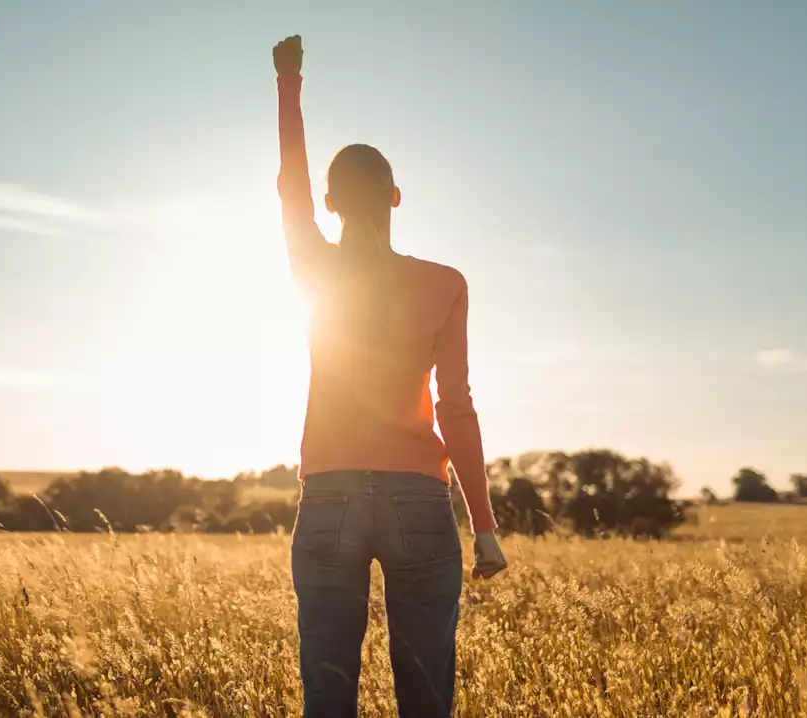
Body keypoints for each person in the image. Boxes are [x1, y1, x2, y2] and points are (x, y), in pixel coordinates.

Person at [273, 35, 509, 718]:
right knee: (428, 698)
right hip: (418, 500)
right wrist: (485, 527)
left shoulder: (313, 266)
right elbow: (455, 406)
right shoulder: (444, 285)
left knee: (328, 697)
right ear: (396, 197)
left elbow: (290, 181)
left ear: (331, 202)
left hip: (330, 497)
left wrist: (289, 83)